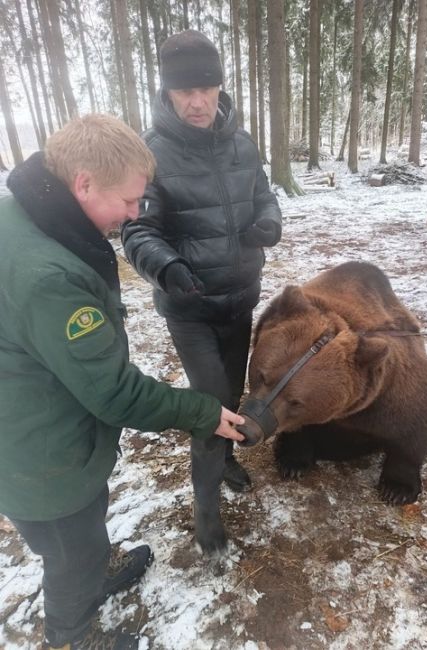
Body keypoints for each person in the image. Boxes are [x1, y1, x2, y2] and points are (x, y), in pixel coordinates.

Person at [0, 114, 245, 650]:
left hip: (33, 413)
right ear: (83, 182)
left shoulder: (23, 213)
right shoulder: (49, 277)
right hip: (40, 454)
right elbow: (111, 391)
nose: (136, 214)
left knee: (83, 530)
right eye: (129, 202)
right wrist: (203, 413)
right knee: (69, 553)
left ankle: (92, 570)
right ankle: (71, 633)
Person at [122, 31, 282, 553]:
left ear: (219, 86)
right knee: (212, 408)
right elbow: (138, 229)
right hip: (189, 307)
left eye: (207, 88)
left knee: (230, 395)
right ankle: (206, 515)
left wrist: (267, 224)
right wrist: (166, 266)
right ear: (167, 93)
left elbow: (265, 197)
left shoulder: (241, 141)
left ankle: (228, 459)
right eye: (184, 91)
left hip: (240, 299)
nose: (197, 102)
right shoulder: (151, 151)